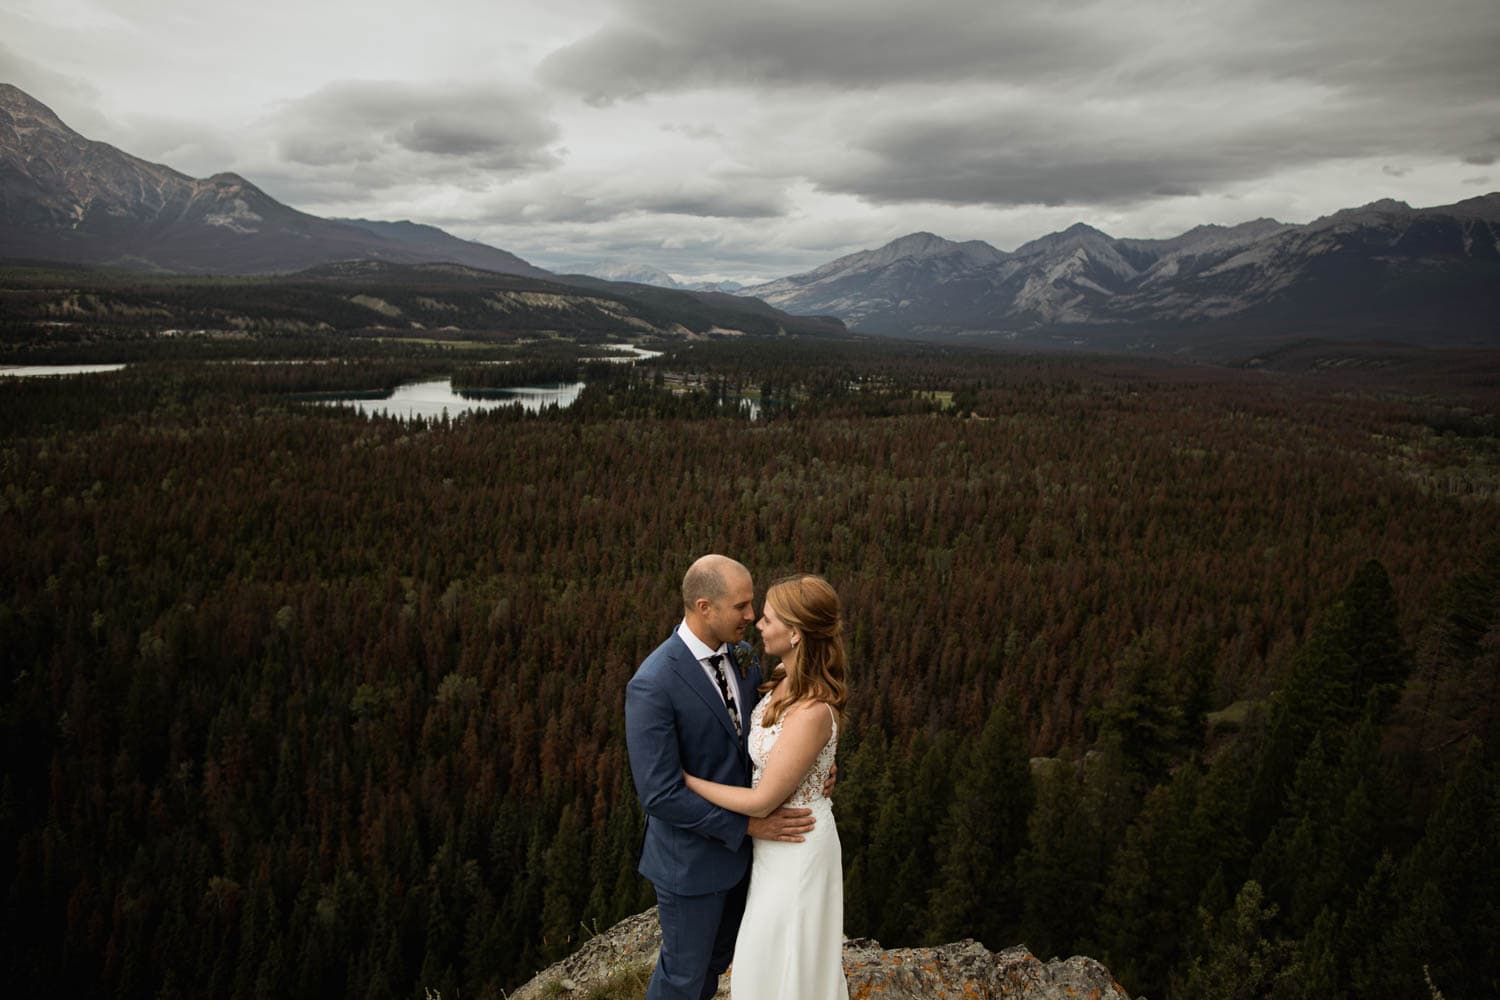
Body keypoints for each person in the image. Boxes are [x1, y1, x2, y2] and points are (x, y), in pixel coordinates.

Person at [625, 555, 822, 1000]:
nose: (752, 617)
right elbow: (659, 794)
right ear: (704, 607)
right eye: (742, 606)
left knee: (715, 966)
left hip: (747, 859)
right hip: (690, 863)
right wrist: (748, 824)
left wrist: (817, 768)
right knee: (683, 977)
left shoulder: (746, 660)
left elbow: (777, 731)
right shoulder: (652, 684)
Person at [683, 573, 850, 1000]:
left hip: (798, 849)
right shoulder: (779, 675)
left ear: (795, 634)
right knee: (765, 957)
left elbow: (761, 801)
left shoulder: (812, 710)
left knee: (786, 962)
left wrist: (687, 782)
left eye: (769, 619)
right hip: (774, 852)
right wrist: (822, 769)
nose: (757, 622)